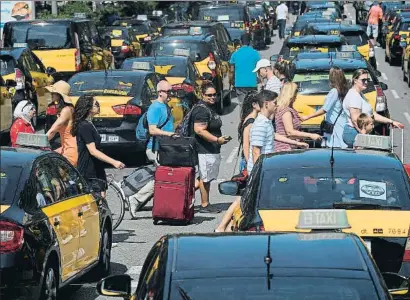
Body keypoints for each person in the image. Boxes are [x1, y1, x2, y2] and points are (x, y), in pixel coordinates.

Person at [215, 90, 307, 232]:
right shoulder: (259, 124)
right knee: (246, 201)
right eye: (274, 103)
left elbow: (273, 135)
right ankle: (225, 228)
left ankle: (225, 228)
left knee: (245, 200)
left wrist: (297, 143)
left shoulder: (266, 122)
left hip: (263, 169)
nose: (277, 106)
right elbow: (255, 150)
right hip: (260, 171)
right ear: (266, 104)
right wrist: (261, 172)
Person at [128, 80, 175, 217]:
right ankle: (136, 198)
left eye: (171, 91)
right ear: (160, 92)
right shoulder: (155, 108)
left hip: (165, 147)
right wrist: (169, 134)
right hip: (155, 148)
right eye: (168, 92)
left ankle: (160, 203)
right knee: (163, 177)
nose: (171, 94)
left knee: (164, 176)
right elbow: (152, 130)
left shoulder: (165, 106)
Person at [71, 95, 125, 198]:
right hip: (88, 170)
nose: (98, 106)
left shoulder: (89, 123)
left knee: (101, 198)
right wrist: (114, 162)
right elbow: (93, 151)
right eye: (96, 104)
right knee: (95, 200)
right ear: (89, 108)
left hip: (96, 166)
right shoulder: (84, 126)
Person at [342, 69, 403, 148]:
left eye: (367, 80)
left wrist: (391, 121)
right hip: (355, 133)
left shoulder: (359, 94)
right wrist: (363, 138)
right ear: (355, 80)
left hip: (358, 133)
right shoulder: (354, 96)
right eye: (363, 80)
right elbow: (355, 120)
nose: (366, 82)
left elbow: (373, 115)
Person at [192, 83, 229, 214]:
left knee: (205, 177)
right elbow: (199, 130)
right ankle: (204, 204)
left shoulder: (210, 108)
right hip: (204, 149)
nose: (213, 97)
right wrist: (216, 140)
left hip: (211, 149)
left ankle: (183, 197)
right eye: (209, 95)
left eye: (215, 95)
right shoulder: (202, 110)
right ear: (202, 95)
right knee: (205, 178)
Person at [301, 67, 349, 148]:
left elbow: (324, 109)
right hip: (342, 124)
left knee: (333, 148)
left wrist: (307, 117)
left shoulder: (334, 91)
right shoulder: (344, 90)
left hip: (334, 127)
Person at [274, 82, 322, 152]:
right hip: (286, 148)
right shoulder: (286, 112)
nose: (297, 95)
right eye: (296, 92)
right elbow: (290, 132)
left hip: (290, 147)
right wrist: (311, 135)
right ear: (291, 94)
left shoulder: (287, 109)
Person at [45, 81, 78, 166]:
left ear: (59, 95)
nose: (51, 95)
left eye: (54, 93)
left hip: (70, 150)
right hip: (65, 147)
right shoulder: (68, 108)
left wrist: (39, 143)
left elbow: (52, 131)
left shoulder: (66, 110)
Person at [229, 33, 261, 107]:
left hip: (240, 84)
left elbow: (231, 70)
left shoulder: (235, 54)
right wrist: (261, 82)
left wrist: (231, 82)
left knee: (242, 105)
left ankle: (243, 118)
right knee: (252, 105)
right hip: (252, 84)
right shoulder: (255, 53)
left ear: (240, 42)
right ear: (250, 41)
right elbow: (259, 69)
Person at [238, 92, 260, 173]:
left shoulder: (250, 118)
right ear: (254, 105)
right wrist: (249, 164)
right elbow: (246, 145)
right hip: (248, 160)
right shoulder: (251, 121)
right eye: (260, 102)